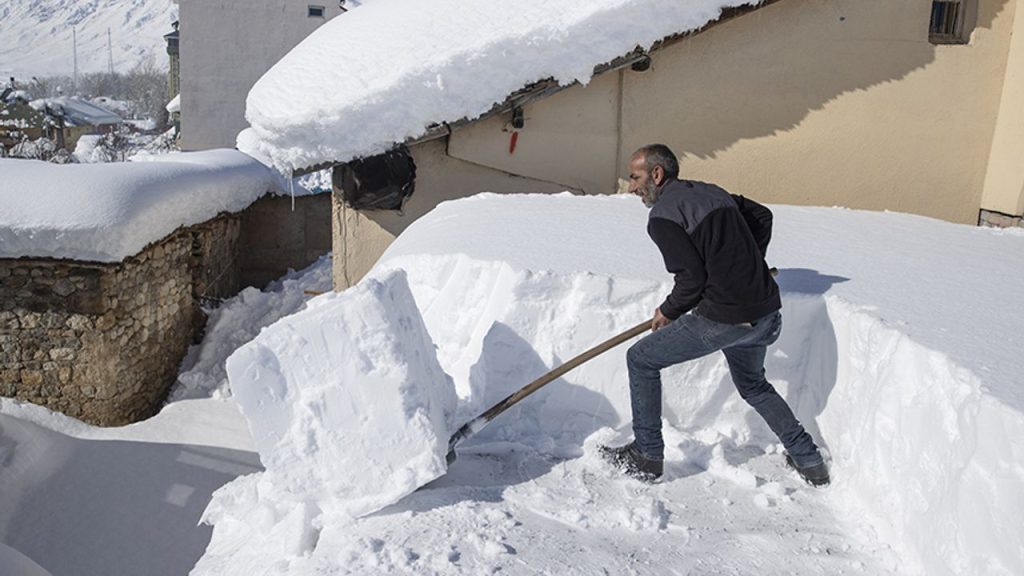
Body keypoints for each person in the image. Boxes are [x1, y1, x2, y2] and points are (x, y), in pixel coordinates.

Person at [600, 144, 829, 486]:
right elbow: (762, 215)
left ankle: (646, 456)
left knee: (641, 359)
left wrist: (669, 310)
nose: (631, 187)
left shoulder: (663, 217)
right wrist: (747, 266)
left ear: (657, 174)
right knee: (753, 384)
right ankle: (809, 460)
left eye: (635, 177)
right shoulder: (713, 193)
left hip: (724, 320)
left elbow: (692, 279)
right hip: (766, 312)